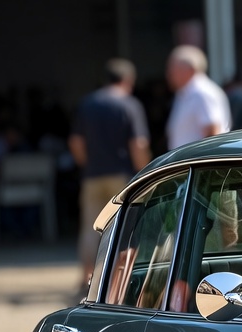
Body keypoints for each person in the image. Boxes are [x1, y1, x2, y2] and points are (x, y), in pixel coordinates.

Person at [69, 58, 150, 288]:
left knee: (90, 228)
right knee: (124, 228)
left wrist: (87, 163)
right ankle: (117, 283)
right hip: (122, 176)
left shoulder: (87, 103)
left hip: (93, 174)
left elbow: (75, 142)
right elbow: (139, 143)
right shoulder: (129, 104)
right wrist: (144, 171)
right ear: (128, 80)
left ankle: (87, 278)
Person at [165, 45, 231, 150]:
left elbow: (212, 132)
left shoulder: (202, 92)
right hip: (186, 163)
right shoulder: (185, 93)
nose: (169, 74)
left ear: (190, 69)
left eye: (173, 69)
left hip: (198, 164)